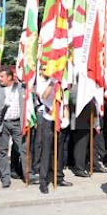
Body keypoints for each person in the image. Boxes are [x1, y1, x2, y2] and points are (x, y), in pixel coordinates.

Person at [0, 66, 36, 188]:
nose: (0, 79)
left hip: (18, 124)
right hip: (2, 124)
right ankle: (5, 177)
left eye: (2, 76)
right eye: (0, 76)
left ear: (10, 77)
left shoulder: (21, 88)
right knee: (2, 151)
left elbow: (29, 102)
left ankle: (28, 175)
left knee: (23, 149)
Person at [37, 65, 73, 194]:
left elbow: (65, 102)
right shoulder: (42, 82)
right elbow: (44, 96)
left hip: (61, 120)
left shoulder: (61, 83)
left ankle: (59, 177)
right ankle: (43, 181)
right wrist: (52, 82)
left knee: (59, 151)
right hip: (49, 120)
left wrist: (66, 118)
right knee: (46, 151)